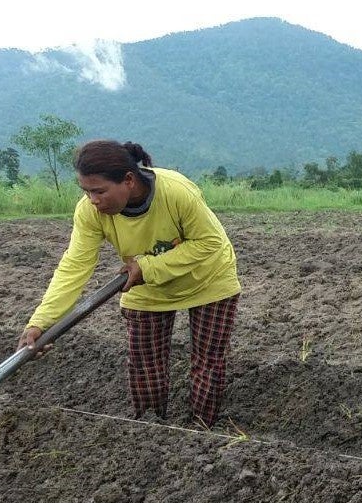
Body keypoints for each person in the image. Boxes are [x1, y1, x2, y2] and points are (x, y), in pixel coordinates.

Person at [19, 140, 241, 428]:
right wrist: (41, 322)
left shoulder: (176, 192)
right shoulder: (90, 212)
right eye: (85, 191)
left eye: (99, 191)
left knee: (207, 362)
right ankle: (150, 431)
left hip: (208, 279)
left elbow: (209, 242)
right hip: (146, 287)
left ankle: (202, 432)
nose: (93, 200)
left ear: (128, 180)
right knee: (145, 365)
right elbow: (74, 266)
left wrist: (148, 266)